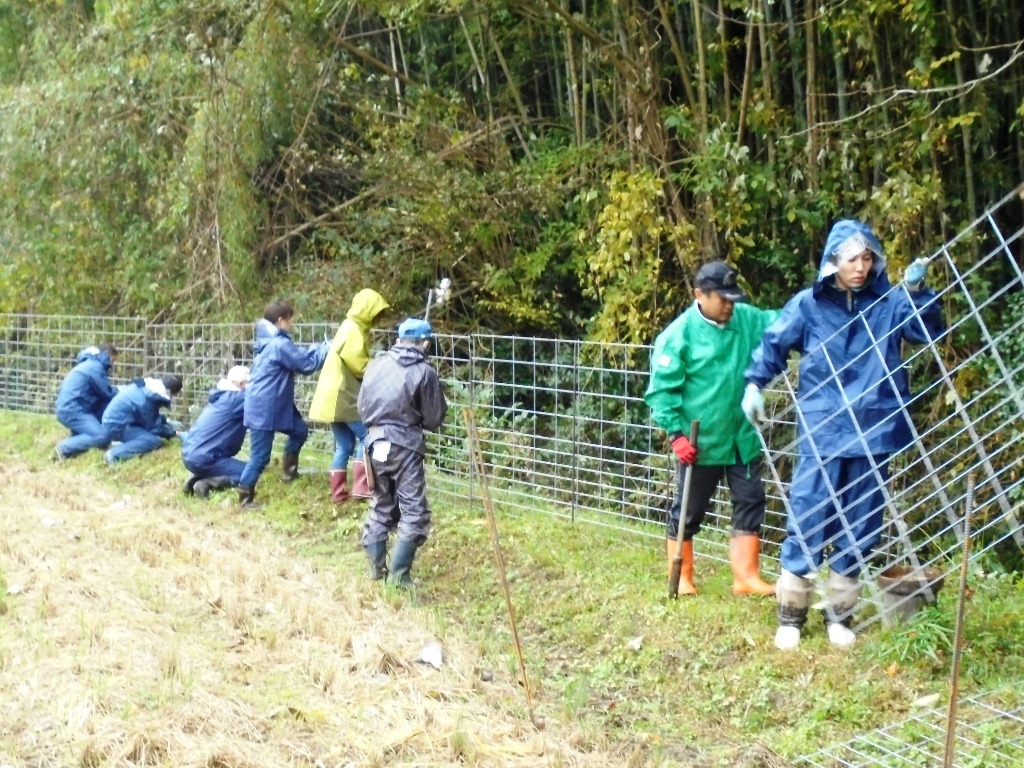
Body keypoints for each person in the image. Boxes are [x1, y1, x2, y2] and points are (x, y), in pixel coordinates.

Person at [743, 219, 943, 650]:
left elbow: (928, 333)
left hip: (875, 427)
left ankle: (840, 616)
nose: (861, 266)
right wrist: (754, 384)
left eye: (868, 257)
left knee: (861, 522)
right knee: (809, 512)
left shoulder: (890, 302)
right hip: (823, 428)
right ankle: (791, 616)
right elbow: (774, 345)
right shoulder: (808, 306)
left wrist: (919, 294)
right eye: (853, 258)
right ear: (833, 261)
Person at [644, 261, 780, 598]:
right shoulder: (678, 336)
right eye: (723, 298)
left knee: (750, 500)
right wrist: (675, 436)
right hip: (699, 441)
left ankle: (746, 577)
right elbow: (661, 392)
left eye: (733, 298)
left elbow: (782, 322)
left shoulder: (745, 319)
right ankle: (684, 575)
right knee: (689, 510)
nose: (730, 305)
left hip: (740, 436)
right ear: (699, 295)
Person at [358, 318, 448, 588]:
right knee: (414, 510)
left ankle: (376, 571)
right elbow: (433, 418)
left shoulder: (376, 365)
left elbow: (362, 407)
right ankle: (399, 577)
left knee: (382, 504)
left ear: (397, 340)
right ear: (426, 343)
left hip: (374, 443)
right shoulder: (424, 371)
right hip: (405, 446)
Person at [237, 300, 329, 508]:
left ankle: (289, 472)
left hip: (274, 404)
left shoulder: (272, 341)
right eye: (289, 319)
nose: (291, 323)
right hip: (265, 407)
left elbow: (297, 356)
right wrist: (327, 350)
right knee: (260, 457)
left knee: (300, 431)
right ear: (281, 321)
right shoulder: (278, 344)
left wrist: (318, 348)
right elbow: (306, 364)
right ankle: (245, 497)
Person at [308, 288, 391, 504]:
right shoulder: (353, 329)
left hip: (331, 397)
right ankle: (362, 488)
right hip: (342, 396)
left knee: (344, 445)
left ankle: (338, 494)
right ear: (368, 310)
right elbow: (358, 365)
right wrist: (379, 365)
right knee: (367, 437)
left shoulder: (350, 327)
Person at [181, 365, 251, 499]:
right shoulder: (237, 399)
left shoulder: (223, 397)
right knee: (250, 472)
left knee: (229, 466)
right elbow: (263, 399)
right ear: (241, 384)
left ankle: (194, 480)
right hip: (205, 457)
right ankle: (208, 483)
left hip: (190, 455)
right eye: (250, 383)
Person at [54, 344, 119, 460]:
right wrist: (123, 393)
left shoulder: (88, 364)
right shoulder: (95, 368)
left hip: (72, 407)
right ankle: (64, 447)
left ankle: (76, 440)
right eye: (112, 360)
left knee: (104, 408)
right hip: (73, 410)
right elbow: (107, 393)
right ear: (106, 356)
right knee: (102, 436)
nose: (112, 365)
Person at [101, 374, 184, 464]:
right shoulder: (148, 399)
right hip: (117, 426)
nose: (173, 398)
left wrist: (166, 421)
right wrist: (176, 433)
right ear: (168, 391)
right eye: (174, 395)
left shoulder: (149, 388)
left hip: (118, 421)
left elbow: (150, 416)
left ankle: (123, 444)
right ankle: (115, 454)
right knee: (152, 441)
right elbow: (154, 428)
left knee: (147, 435)